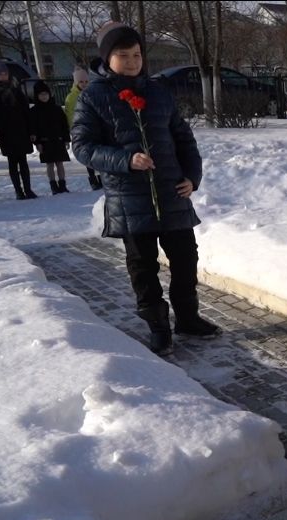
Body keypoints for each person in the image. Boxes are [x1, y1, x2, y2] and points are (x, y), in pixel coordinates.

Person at [72, 22, 219, 355]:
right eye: (123, 56)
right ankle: (158, 326)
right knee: (143, 267)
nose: (132, 61)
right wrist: (125, 159)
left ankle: (188, 318)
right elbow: (82, 146)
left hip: (172, 193)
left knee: (185, 259)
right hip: (129, 198)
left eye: (136, 54)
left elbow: (183, 138)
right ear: (107, 58)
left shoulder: (158, 90)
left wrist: (192, 178)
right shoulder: (94, 96)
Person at [0, 61, 37, 200]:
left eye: (5, 73)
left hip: (21, 131)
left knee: (23, 162)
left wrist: (31, 131)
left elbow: (26, 112)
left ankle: (28, 189)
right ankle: (18, 190)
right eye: (0, 74)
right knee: (12, 163)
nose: (4, 76)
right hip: (5, 133)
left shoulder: (17, 91)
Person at [64, 66, 103, 190]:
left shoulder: (92, 93)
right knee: (88, 154)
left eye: (86, 81)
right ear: (76, 82)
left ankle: (101, 178)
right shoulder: (71, 97)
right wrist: (73, 129)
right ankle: (92, 179)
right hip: (82, 129)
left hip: (95, 128)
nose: (84, 84)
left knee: (99, 153)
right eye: (81, 82)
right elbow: (70, 114)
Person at [30, 81, 72, 195]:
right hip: (44, 142)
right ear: (37, 96)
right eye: (41, 94)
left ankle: (62, 184)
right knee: (50, 164)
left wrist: (66, 139)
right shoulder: (34, 111)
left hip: (58, 139)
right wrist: (37, 142)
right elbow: (33, 128)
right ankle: (53, 185)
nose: (44, 97)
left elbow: (64, 125)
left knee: (60, 163)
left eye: (46, 94)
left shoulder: (57, 109)